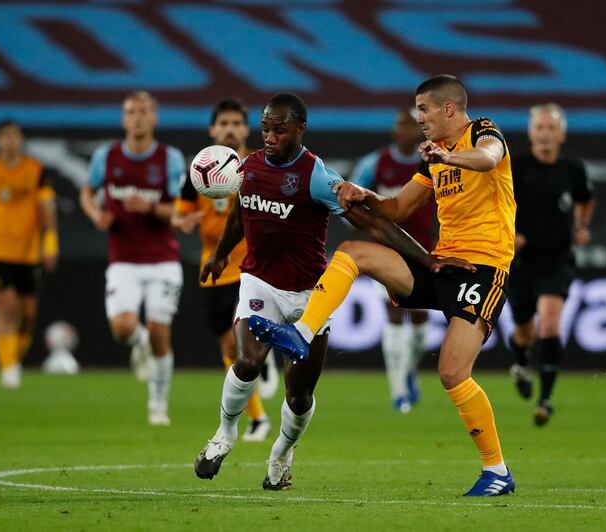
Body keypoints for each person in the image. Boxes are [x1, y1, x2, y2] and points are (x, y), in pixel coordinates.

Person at [249, 75, 518, 497]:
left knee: (451, 371)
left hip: (484, 270)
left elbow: (487, 159)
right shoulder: (433, 157)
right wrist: (362, 195)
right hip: (443, 263)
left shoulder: (481, 131)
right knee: (355, 252)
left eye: (424, 110)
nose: (419, 118)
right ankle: (300, 334)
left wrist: (447, 160)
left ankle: (497, 471)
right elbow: (396, 208)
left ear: (449, 108)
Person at [192, 92, 454, 490]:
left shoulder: (317, 176)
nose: (270, 136)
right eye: (265, 128)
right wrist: (220, 255)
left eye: (279, 129)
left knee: (299, 397)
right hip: (259, 282)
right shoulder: (249, 167)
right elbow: (241, 211)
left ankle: (281, 453)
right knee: (247, 362)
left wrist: (426, 260)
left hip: (309, 297)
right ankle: (224, 434)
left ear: (300, 129)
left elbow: (374, 225)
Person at [80, 91, 185, 426]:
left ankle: (158, 404)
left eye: (143, 112)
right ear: (124, 118)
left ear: (154, 118)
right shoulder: (106, 157)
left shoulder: (170, 159)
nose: (136, 118)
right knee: (124, 328)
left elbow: (182, 208)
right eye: (130, 112)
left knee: (159, 332)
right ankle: (137, 342)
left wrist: (152, 207)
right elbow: (86, 191)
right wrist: (96, 214)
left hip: (162, 260)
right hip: (123, 260)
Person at [172, 98, 271, 442]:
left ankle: (258, 412)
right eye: (223, 123)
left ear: (246, 129)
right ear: (213, 130)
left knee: (238, 343)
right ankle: (258, 415)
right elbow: (179, 213)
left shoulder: (260, 166)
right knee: (231, 350)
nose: (230, 129)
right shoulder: (199, 169)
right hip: (215, 270)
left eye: (236, 123)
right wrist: (183, 221)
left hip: (256, 268)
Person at [507, 103, 595, 426]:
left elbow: (586, 199)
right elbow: (497, 205)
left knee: (550, 323)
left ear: (562, 133)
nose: (545, 134)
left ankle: (545, 400)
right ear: (531, 132)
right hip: (521, 261)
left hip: (556, 258)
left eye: (550, 128)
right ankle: (520, 362)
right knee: (524, 332)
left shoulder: (573, 169)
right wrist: (511, 233)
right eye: (539, 128)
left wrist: (582, 226)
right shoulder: (514, 167)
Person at [349, 108, 435, 413]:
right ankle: (398, 391)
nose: (408, 129)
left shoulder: (434, 163)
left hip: (424, 252)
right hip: (387, 252)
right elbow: (351, 197)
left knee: (422, 322)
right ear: (395, 130)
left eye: (413, 124)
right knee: (395, 314)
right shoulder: (376, 163)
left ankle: (409, 370)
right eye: (402, 124)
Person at [0, 120, 59, 389]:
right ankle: (8, 370)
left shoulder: (35, 171)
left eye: (13, 136)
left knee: (27, 315)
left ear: (20, 141)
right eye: (4, 136)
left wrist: (50, 244)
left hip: (28, 252)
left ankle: (12, 359)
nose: (9, 141)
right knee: (6, 307)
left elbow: (47, 211)